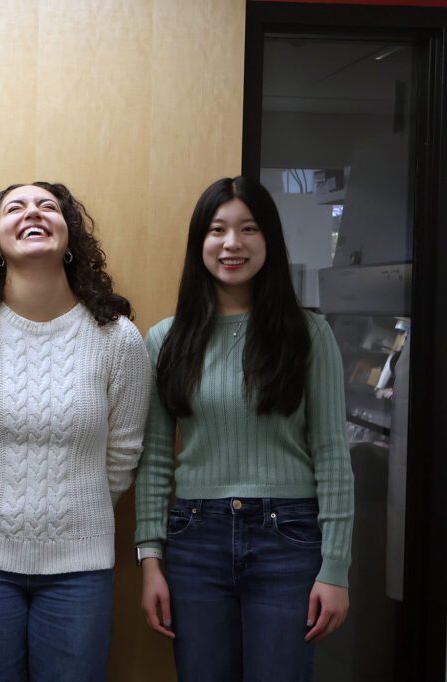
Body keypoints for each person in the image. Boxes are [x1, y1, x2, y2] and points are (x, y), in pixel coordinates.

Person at [0, 182, 151, 682]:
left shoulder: (117, 338)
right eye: (16, 208)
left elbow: (123, 454)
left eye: (49, 206)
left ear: (71, 237)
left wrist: (70, 513)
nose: (34, 213)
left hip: (80, 573)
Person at [134, 176, 354, 681]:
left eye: (248, 229)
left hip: (290, 539)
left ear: (268, 241)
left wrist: (335, 567)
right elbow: (155, 461)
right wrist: (151, 560)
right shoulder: (165, 341)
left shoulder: (308, 335)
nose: (232, 244)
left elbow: (332, 456)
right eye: (218, 230)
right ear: (200, 243)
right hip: (194, 540)